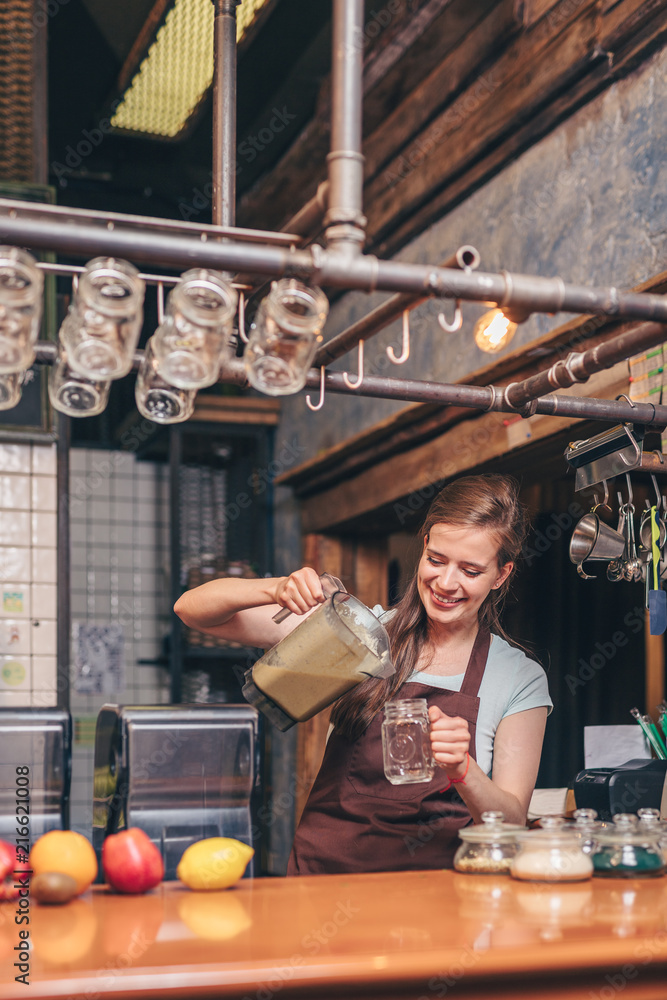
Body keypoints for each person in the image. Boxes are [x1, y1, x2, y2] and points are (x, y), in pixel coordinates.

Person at [174, 473, 552, 874]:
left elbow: (510, 825)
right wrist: (275, 588)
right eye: (436, 560)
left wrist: (464, 771)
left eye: (470, 571)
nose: (446, 582)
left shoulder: (518, 679)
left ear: (501, 575)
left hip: (433, 905)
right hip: (321, 882)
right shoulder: (357, 634)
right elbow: (193, 610)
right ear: (423, 547)